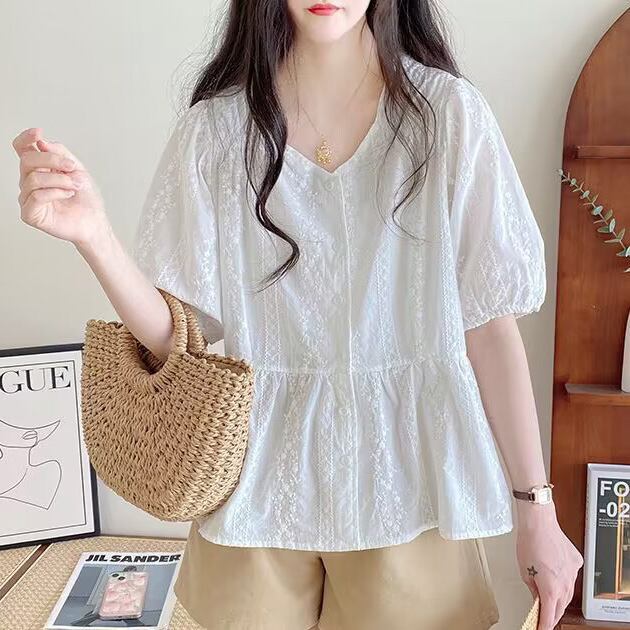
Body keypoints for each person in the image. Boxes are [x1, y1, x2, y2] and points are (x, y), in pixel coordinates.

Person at [12, 1, 584, 628]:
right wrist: (95, 236)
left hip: (408, 486)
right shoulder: (218, 131)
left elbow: (490, 325)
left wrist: (537, 508)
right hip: (257, 490)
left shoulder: (447, 117)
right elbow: (183, 340)